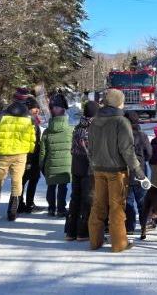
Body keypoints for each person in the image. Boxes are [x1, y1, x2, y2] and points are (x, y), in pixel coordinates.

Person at [87, 89, 149, 253]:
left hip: (97, 170)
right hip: (116, 171)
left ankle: (95, 241)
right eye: (122, 101)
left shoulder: (94, 121)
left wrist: (92, 164)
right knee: (116, 208)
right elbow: (127, 150)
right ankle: (119, 243)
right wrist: (139, 172)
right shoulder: (121, 122)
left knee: (98, 205)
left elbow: (90, 148)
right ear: (117, 102)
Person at [0, 87, 37, 222]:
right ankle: (12, 212)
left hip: (1, 153)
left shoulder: (1, 115)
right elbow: (33, 139)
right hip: (20, 155)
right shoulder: (30, 119)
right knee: (17, 181)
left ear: (13, 99)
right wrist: (30, 153)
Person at [65, 100, 99, 241]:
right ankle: (82, 232)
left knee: (75, 198)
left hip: (76, 167)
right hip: (87, 169)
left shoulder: (78, 126)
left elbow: (74, 149)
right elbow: (92, 153)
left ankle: (70, 231)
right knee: (87, 200)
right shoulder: (93, 129)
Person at [39, 94, 73, 217]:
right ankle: (61, 208)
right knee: (63, 188)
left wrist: (41, 165)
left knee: (51, 187)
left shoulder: (47, 132)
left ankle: (51, 208)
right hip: (65, 166)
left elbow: (42, 152)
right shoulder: (70, 130)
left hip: (51, 165)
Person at [124, 111, 152, 234]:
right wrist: (144, 160)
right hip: (140, 172)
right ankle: (145, 223)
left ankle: (129, 226)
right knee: (142, 200)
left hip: (126, 173)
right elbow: (149, 153)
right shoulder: (142, 136)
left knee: (128, 201)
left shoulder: (121, 136)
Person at [18, 97, 44, 213]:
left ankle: (23, 203)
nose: (37, 110)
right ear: (28, 109)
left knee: (28, 179)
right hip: (29, 155)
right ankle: (26, 204)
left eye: (37, 108)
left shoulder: (31, 120)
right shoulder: (27, 121)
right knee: (27, 180)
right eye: (34, 108)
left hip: (32, 155)